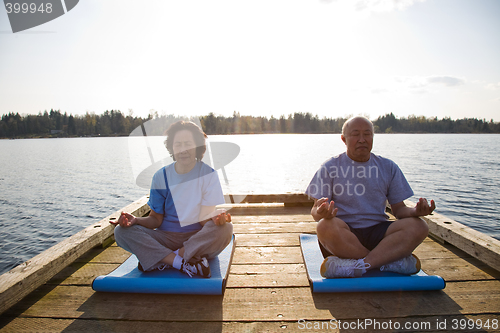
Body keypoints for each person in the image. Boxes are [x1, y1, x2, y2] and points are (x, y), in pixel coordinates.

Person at [305, 116, 435, 278]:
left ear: (373, 137)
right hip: (345, 233)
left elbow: (400, 210)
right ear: (344, 139)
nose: (362, 140)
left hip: (379, 232)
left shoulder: (388, 167)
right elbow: (315, 212)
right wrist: (322, 213)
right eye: (355, 134)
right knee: (324, 226)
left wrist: (415, 211)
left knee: (419, 226)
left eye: (367, 134)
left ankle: (362, 265)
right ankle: (386, 262)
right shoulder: (329, 167)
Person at [110, 121, 233, 278]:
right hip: (164, 238)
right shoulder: (160, 176)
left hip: (196, 239)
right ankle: (182, 262)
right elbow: (155, 220)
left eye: (188, 144)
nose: (183, 150)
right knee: (121, 232)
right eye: (178, 144)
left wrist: (216, 218)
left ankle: (163, 260)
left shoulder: (208, 175)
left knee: (226, 229)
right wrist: (136, 221)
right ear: (172, 148)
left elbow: (203, 221)